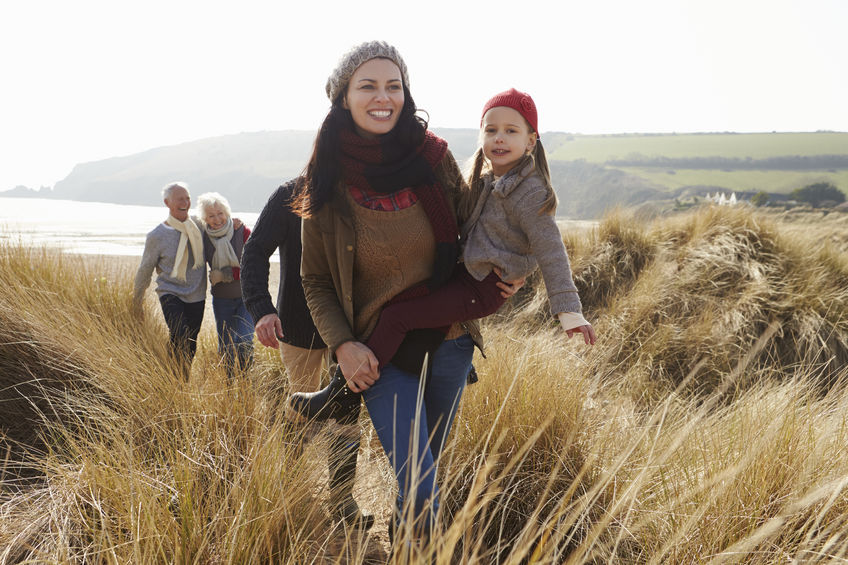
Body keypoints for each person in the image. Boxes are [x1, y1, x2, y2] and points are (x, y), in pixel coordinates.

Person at [288, 41, 524, 543]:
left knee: (423, 472)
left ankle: (406, 544)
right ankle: (431, 547)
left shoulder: (434, 159)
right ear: (343, 97)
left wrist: (515, 262)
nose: (383, 96)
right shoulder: (325, 182)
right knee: (420, 480)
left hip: (450, 341)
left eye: (393, 85)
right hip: (379, 353)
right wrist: (343, 345)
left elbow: (474, 228)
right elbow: (316, 280)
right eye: (367, 85)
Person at [290, 88, 597, 422]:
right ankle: (446, 371)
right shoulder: (487, 181)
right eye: (491, 130)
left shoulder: (530, 191)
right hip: (470, 277)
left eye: (511, 131)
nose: (499, 138)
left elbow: (550, 249)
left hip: (482, 287)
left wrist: (568, 311)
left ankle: (342, 395)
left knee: (397, 317)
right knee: (407, 305)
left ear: (531, 141)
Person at [239, 178, 374, 529]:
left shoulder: (366, 189)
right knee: (302, 410)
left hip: (350, 330)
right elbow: (254, 251)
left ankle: (342, 498)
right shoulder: (290, 194)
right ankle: (292, 482)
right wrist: (261, 308)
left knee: (347, 410)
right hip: (296, 326)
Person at [134, 181, 206, 379]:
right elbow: (145, 269)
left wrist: (233, 222)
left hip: (197, 293)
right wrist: (137, 299)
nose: (185, 202)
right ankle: (171, 377)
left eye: (187, 198)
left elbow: (220, 227)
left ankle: (182, 379)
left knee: (190, 342)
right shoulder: (156, 235)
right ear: (167, 203)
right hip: (170, 293)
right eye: (180, 199)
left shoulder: (200, 226)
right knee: (179, 334)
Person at [196, 192, 255, 378]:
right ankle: (229, 383)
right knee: (226, 344)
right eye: (211, 216)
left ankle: (246, 382)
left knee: (244, 340)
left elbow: (252, 265)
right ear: (205, 218)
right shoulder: (203, 237)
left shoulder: (243, 232)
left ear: (227, 212)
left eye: (220, 213)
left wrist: (225, 274)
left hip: (247, 297)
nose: (217, 219)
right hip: (221, 299)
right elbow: (186, 223)